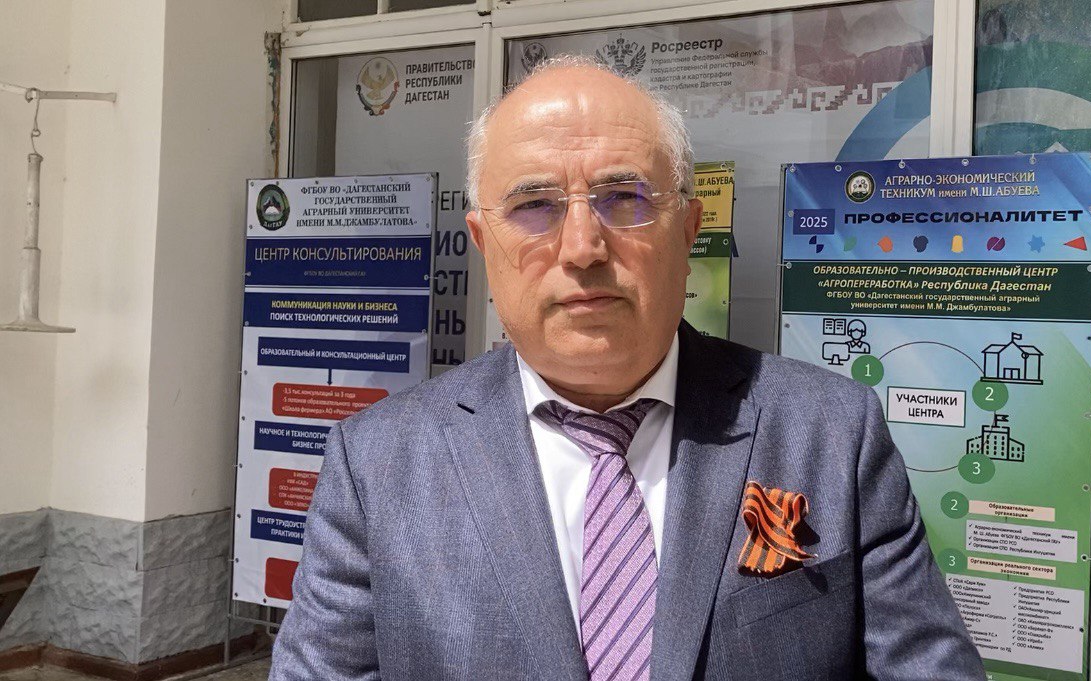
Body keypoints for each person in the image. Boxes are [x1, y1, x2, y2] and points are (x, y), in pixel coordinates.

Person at [269, 55, 984, 680]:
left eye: (624, 198)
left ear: (688, 229)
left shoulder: (831, 433)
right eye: (535, 205)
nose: (583, 246)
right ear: (483, 244)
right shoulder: (378, 464)